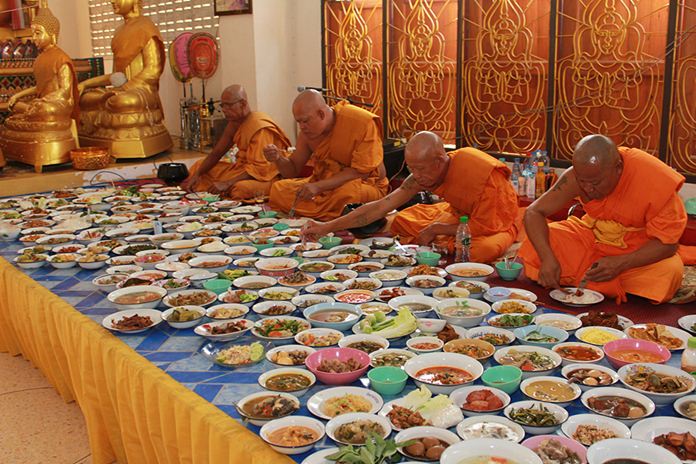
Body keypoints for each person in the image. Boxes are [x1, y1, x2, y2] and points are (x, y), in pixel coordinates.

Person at [519, 134, 690, 304]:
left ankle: (588, 280)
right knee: (540, 243)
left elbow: (668, 244)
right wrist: (548, 258)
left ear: (618, 167)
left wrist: (621, 263)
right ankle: (598, 282)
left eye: (595, 183)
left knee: (669, 272)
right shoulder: (577, 177)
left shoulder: (655, 180)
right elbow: (534, 212)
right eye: (582, 181)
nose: (588, 188)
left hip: (635, 249)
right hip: (591, 236)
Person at [302, 131, 521, 263]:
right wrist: (326, 227)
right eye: (411, 169)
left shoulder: (481, 172)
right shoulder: (421, 175)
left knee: (481, 250)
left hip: (496, 224)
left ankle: (443, 240)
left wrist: (437, 229)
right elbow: (379, 207)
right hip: (457, 217)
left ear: (439, 161)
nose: (416, 176)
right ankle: (443, 241)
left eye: (421, 169)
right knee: (402, 220)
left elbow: (487, 224)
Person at [264, 90, 388, 221]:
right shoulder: (308, 133)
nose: (302, 127)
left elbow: (362, 172)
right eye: (298, 122)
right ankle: (330, 215)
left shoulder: (361, 122)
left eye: (305, 121)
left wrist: (319, 187)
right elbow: (292, 170)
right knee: (279, 189)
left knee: (347, 195)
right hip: (323, 186)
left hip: (362, 184)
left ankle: (325, 216)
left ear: (321, 114)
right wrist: (278, 159)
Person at [77, 0, 172, 157]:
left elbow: (153, 69)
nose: (113, 1)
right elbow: (117, 77)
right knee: (85, 98)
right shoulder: (119, 32)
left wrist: (125, 88)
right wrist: (86, 84)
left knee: (124, 102)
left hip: (140, 92)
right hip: (120, 90)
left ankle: (105, 120)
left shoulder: (146, 28)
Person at [181, 85, 291, 198]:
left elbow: (261, 168)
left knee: (240, 188)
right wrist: (198, 174)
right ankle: (216, 187)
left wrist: (227, 183)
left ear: (242, 104)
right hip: (242, 170)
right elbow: (217, 152)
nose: (224, 110)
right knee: (199, 166)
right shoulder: (234, 123)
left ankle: (225, 188)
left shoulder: (260, 127)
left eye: (228, 105)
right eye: (222, 105)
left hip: (265, 177)